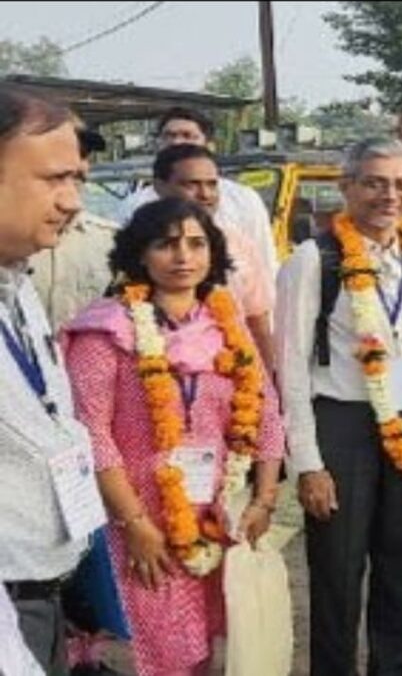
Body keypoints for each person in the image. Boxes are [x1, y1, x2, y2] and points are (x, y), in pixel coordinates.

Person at [62, 197, 285, 676]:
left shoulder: (227, 327)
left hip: (217, 511)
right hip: (138, 519)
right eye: (167, 244)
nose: (184, 256)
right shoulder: (105, 330)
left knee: (208, 645)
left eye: (197, 243)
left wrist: (264, 499)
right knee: (157, 648)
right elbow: (92, 434)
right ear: (139, 254)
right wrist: (136, 523)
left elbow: (266, 413)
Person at [275, 137, 402, 676]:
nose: (390, 195)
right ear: (347, 186)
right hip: (343, 426)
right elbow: (290, 368)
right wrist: (308, 463)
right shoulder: (315, 260)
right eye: (375, 182)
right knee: (337, 571)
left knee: (401, 564)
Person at [0, 85, 106, 675]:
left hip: (40, 596)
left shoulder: (17, 281)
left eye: (79, 181)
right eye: (54, 179)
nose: (71, 202)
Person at [150, 144, 276, 370]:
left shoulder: (238, 244)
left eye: (212, 184)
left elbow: (258, 323)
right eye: (191, 184)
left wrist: (271, 389)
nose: (205, 194)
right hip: (159, 373)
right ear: (160, 187)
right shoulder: (139, 245)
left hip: (233, 374)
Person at [116, 107, 278, 277]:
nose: (177, 142)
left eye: (187, 135)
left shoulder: (243, 199)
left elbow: (265, 262)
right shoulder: (135, 204)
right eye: (168, 136)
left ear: (209, 145)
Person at [30, 126, 119, 328]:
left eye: (83, 153)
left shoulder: (111, 240)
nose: (79, 162)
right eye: (58, 176)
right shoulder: (14, 246)